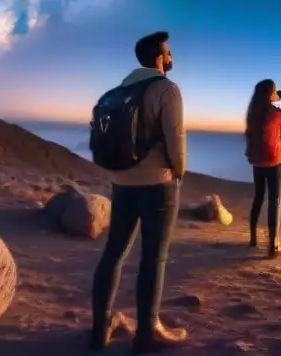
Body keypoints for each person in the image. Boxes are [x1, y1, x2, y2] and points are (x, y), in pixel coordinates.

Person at [89, 31, 188, 354]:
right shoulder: (166, 89)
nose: (172, 57)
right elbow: (175, 136)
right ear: (159, 59)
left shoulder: (119, 91)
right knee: (153, 259)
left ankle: (99, 328)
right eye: (169, 52)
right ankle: (147, 333)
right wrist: (178, 171)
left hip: (122, 183)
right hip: (156, 183)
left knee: (114, 253)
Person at [244, 79, 281, 257]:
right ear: (270, 93)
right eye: (274, 91)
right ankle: (272, 245)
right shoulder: (274, 112)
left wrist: (276, 99)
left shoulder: (253, 111)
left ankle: (253, 238)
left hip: (257, 161)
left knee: (258, 197)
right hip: (275, 161)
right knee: (274, 202)